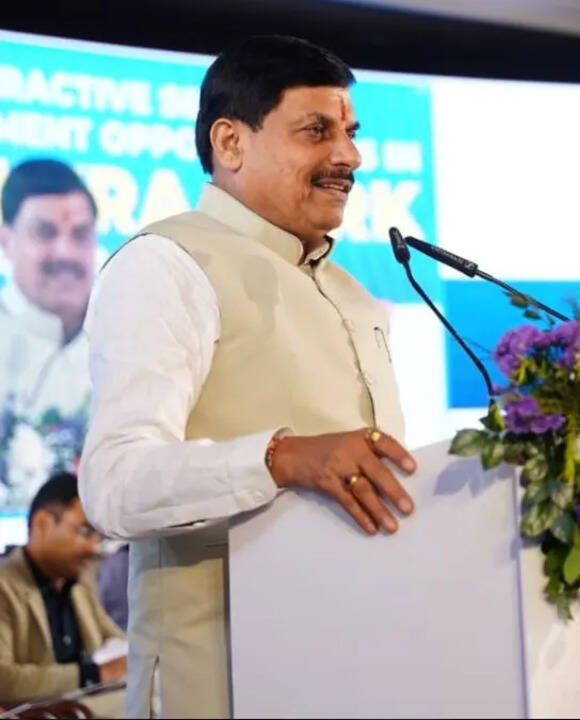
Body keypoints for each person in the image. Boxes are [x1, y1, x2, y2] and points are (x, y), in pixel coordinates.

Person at [79, 36, 419, 717]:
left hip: (351, 672)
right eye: (316, 131)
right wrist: (280, 458)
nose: (349, 157)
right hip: (218, 687)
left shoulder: (354, 294)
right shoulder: (167, 264)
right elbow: (113, 484)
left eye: (351, 134)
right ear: (230, 142)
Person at [0, 159, 97, 507]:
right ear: (5, 240)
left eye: (80, 234)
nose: (65, 252)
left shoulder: (127, 333)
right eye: (45, 233)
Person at [0, 472, 124, 705]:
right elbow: (4, 679)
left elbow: (116, 642)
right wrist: (94, 675)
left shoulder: (79, 584)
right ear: (43, 524)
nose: (93, 548)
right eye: (85, 532)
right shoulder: (5, 586)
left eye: (97, 537)